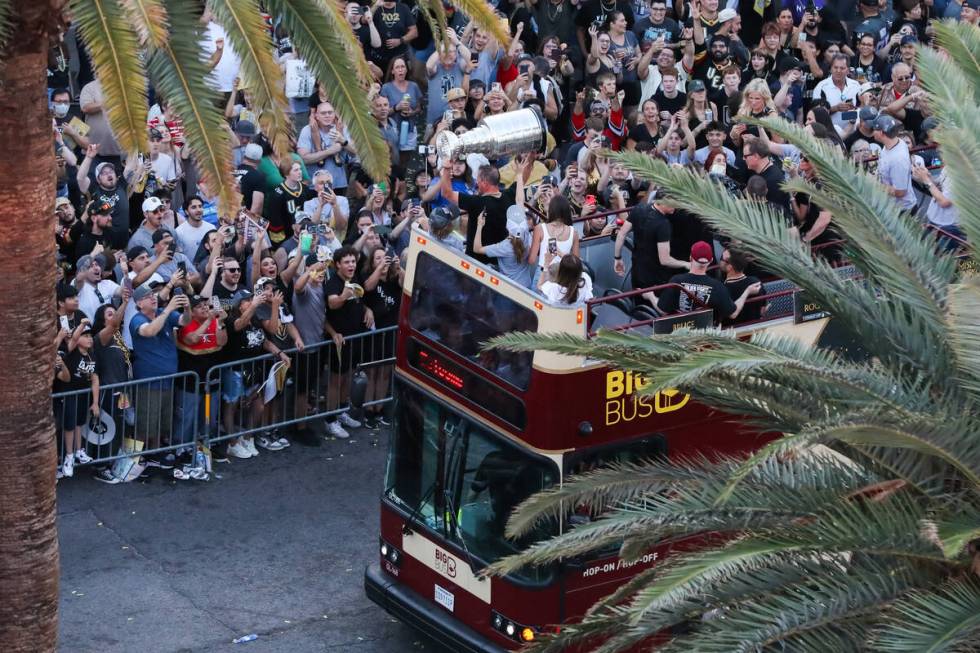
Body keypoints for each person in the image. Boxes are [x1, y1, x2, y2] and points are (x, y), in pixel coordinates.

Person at [129, 284, 191, 466]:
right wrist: (169, 309)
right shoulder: (136, 319)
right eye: (148, 296)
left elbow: (184, 321)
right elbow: (149, 331)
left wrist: (187, 307)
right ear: (139, 303)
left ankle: (155, 453)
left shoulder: (164, 312)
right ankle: (136, 458)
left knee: (162, 421)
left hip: (167, 379)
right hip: (149, 381)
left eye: (153, 295)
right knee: (145, 421)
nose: (153, 297)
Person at [324, 247, 370, 439]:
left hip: (355, 337)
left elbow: (359, 299)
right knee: (335, 380)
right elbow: (333, 304)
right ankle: (330, 419)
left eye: (353, 261)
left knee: (348, 376)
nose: (351, 265)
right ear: (338, 265)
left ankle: (342, 411)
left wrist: (368, 309)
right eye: (347, 262)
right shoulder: (333, 282)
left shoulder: (355, 278)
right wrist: (345, 294)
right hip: (338, 340)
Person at [652, 241, 760, 322]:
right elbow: (733, 313)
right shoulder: (717, 286)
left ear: (690, 258)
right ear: (711, 261)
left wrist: (650, 296)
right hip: (706, 336)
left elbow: (662, 310)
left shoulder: (675, 281)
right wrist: (747, 292)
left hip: (679, 331)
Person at [438, 160, 516, 264]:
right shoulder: (508, 196)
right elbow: (520, 181)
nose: (476, 183)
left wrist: (447, 168)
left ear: (484, 182)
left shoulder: (477, 203)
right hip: (499, 264)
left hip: (474, 264)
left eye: (478, 180)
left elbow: (446, 193)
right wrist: (528, 162)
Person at [359, 246, 402, 428]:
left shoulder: (394, 279)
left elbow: (408, 283)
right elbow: (367, 288)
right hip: (374, 333)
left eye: (385, 258)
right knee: (372, 373)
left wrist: (399, 268)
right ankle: (369, 410)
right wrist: (379, 269)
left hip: (391, 331)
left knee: (385, 373)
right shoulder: (370, 277)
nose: (383, 261)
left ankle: (380, 408)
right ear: (372, 262)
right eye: (378, 258)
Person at [613, 195, 690, 290]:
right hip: (655, 277)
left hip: (637, 270)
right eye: (673, 204)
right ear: (662, 202)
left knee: (638, 300)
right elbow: (665, 260)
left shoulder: (638, 209)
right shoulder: (663, 224)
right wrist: (685, 264)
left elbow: (622, 234)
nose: (676, 206)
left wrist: (617, 258)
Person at [54, 324, 100, 479]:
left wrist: (95, 402)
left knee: (79, 423)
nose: (89, 339)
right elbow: (73, 339)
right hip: (69, 392)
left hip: (82, 394)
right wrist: (82, 324)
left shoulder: (92, 355)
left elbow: (94, 378)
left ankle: (79, 451)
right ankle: (69, 456)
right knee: (69, 425)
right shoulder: (72, 352)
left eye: (90, 336)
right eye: (85, 336)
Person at [473, 208, 534, 289]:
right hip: (526, 287)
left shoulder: (504, 247)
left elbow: (477, 249)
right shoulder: (527, 237)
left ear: (507, 226)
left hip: (508, 288)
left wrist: (480, 225)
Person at [872, 114, 918, 212]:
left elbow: (901, 192)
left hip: (903, 211)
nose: (872, 131)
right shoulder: (896, 142)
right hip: (893, 206)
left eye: (874, 129)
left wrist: (874, 183)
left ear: (881, 133)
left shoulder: (898, 159)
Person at [719, 249, 763, 326]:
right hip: (756, 329)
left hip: (730, 333)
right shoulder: (756, 282)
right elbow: (763, 309)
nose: (720, 261)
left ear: (730, 267)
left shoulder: (721, 289)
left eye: (722, 259)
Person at [174, 195, 216, 260]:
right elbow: (179, 257)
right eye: (194, 207)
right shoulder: (179, 232)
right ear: (186, 212)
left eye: (200, 206)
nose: (198, 210)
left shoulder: (211, 228)